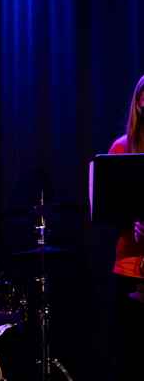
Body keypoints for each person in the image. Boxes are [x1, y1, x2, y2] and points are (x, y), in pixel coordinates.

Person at [109, 73, 144, 381]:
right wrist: (130, 222)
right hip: (131, 268)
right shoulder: (122, 149)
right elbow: (108, 208)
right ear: (140, 102)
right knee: (130, 357)